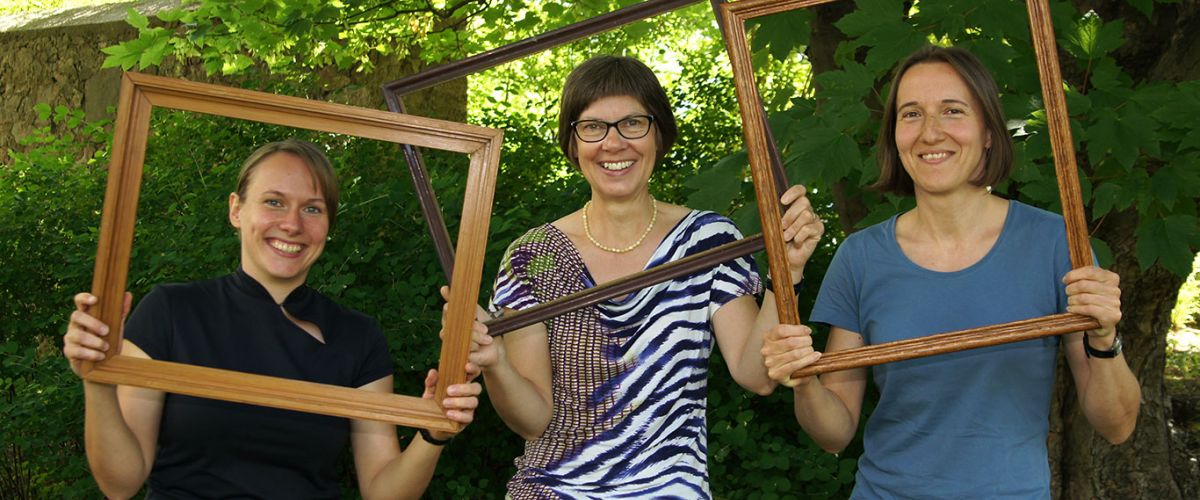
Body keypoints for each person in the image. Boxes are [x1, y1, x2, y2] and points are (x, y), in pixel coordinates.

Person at [761, 45, 1142, 498]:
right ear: (893, 137)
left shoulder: (1056, 244)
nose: (930, 132)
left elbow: (1117, 426)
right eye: (911, 114)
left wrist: (1104, 340)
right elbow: (834, 433)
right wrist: (804, 383)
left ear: (988, 132)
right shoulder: (861, 256)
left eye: (952, 110)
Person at [465, 55, 825, 498]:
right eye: (593, 127)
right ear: (573, 143)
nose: (614, 143)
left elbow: (757, 375)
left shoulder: (708, 239)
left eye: (633, 123)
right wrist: (495, 362)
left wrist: (786, 273)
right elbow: (532, 419)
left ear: (659, 135)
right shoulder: (533, 256)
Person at [62, 139, 484, 499]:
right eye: (274, 202)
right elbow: (120, 483)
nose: (292, 224)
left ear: (329, 225)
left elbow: (382, 489)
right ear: (236, 210)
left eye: (313, 209)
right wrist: (97, 379)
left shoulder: (357, 336)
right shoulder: (170, 311)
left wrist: (433, 433)